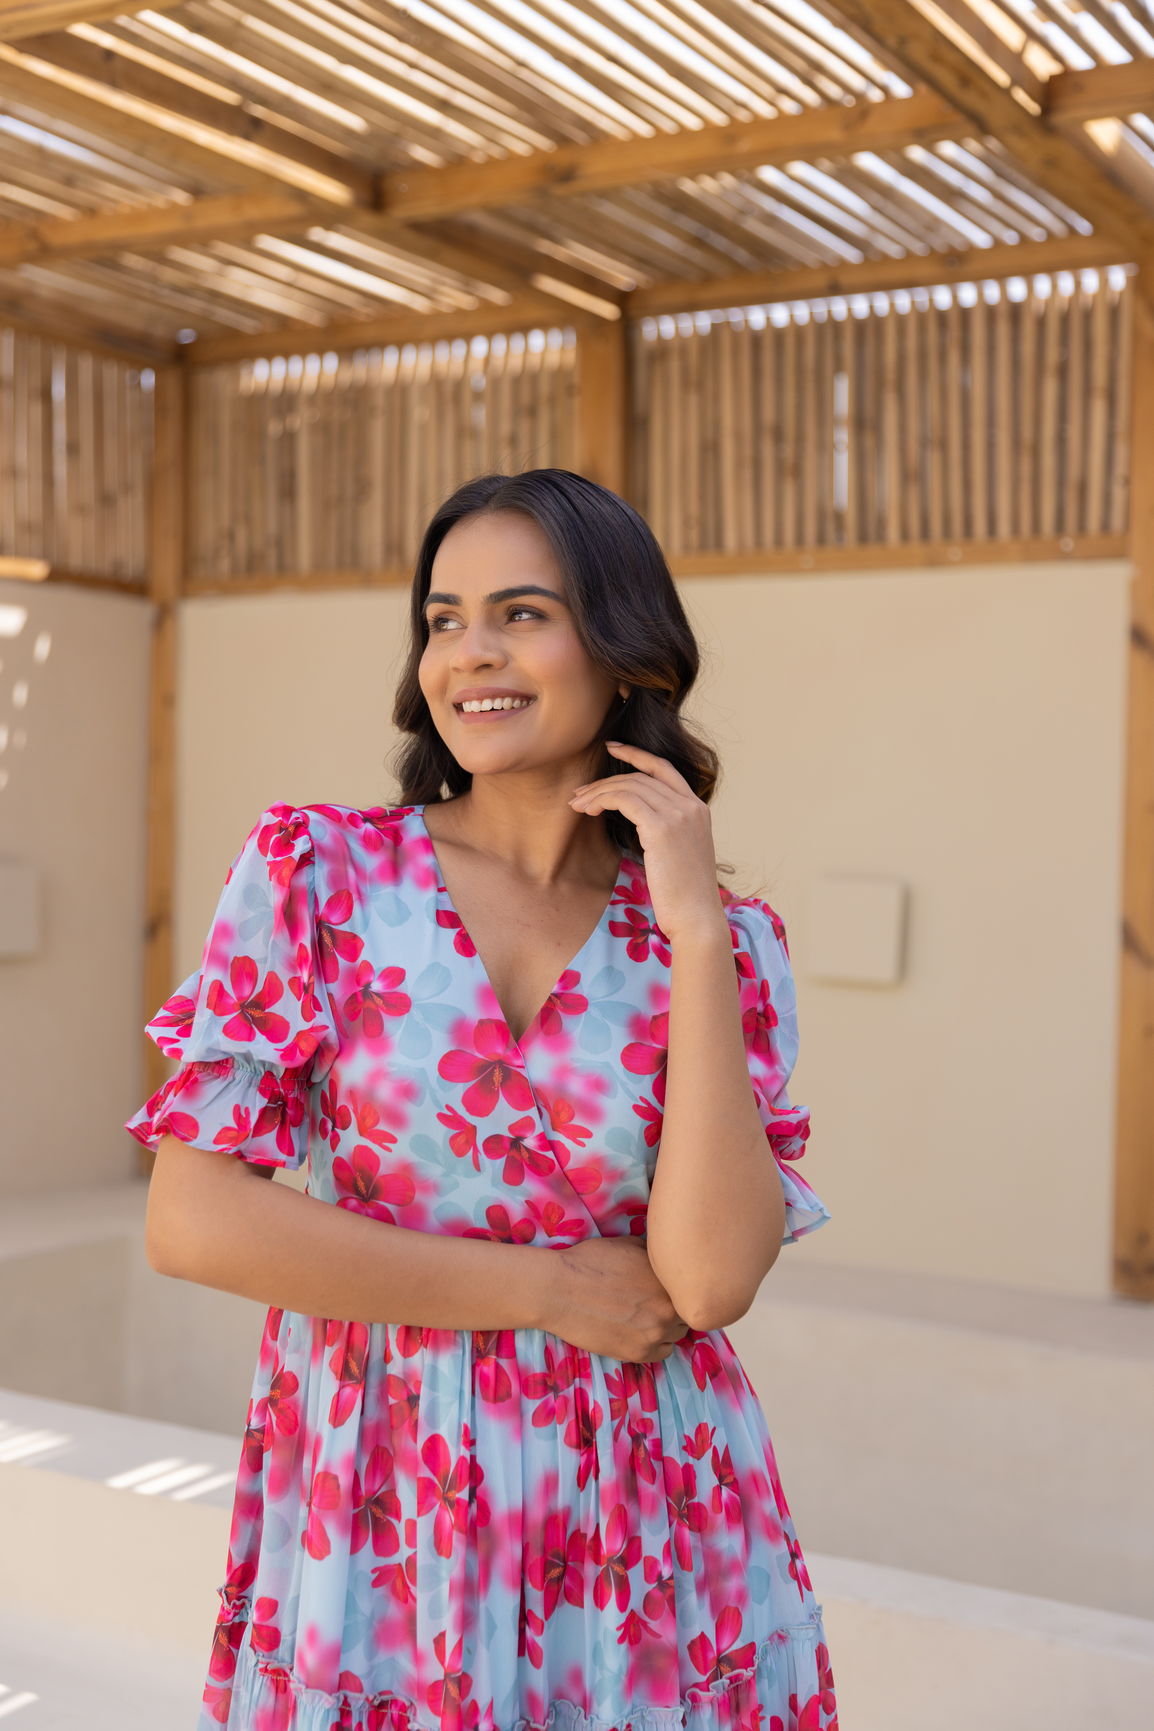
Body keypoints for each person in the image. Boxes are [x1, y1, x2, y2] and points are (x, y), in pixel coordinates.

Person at [126, 468, 837, 1731]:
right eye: (443, 619)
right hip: (380, 1500)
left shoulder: (724, 942)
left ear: (622, 651)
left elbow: (712, 1281)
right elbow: (193, 1223)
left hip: (648, 1509)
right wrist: (547, 1290)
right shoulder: (317, 872)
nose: (470, 655)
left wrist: (696, 932)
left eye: (520, 612)